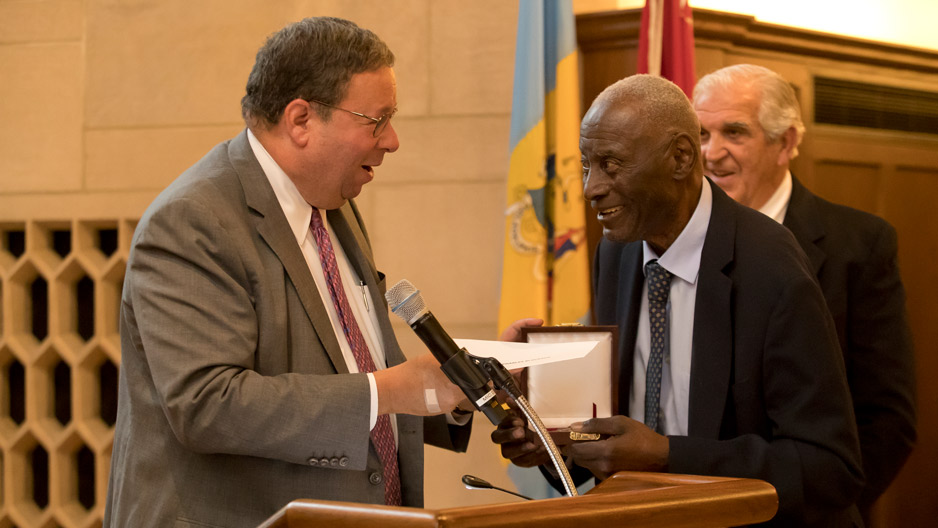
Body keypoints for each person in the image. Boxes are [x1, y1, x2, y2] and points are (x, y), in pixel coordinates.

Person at [104, 17, 485, 527]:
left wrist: (455, 387)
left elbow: (353, 366)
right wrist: (391, 390)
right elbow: (207, 404)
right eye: (377, 119)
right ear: (301, 119)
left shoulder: (334, 204)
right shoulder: (192, 220)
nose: (391, 140)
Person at [492, 74, 864, 526]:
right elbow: (616, 451)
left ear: (681, 158)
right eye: (587, 164)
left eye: (611, 164)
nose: (591, 188)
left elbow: (829, 469)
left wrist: (667, 455)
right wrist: (553, 448)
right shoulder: (616, 251)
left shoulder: (772, 266)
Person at [693, 64, 917, 522]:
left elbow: (888, 418)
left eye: (734, 132)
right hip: (692, 506)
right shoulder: (674, 244)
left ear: (788, 142)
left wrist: (827, 505)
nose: (711, 154)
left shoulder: (859, 244)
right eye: (700, 134)